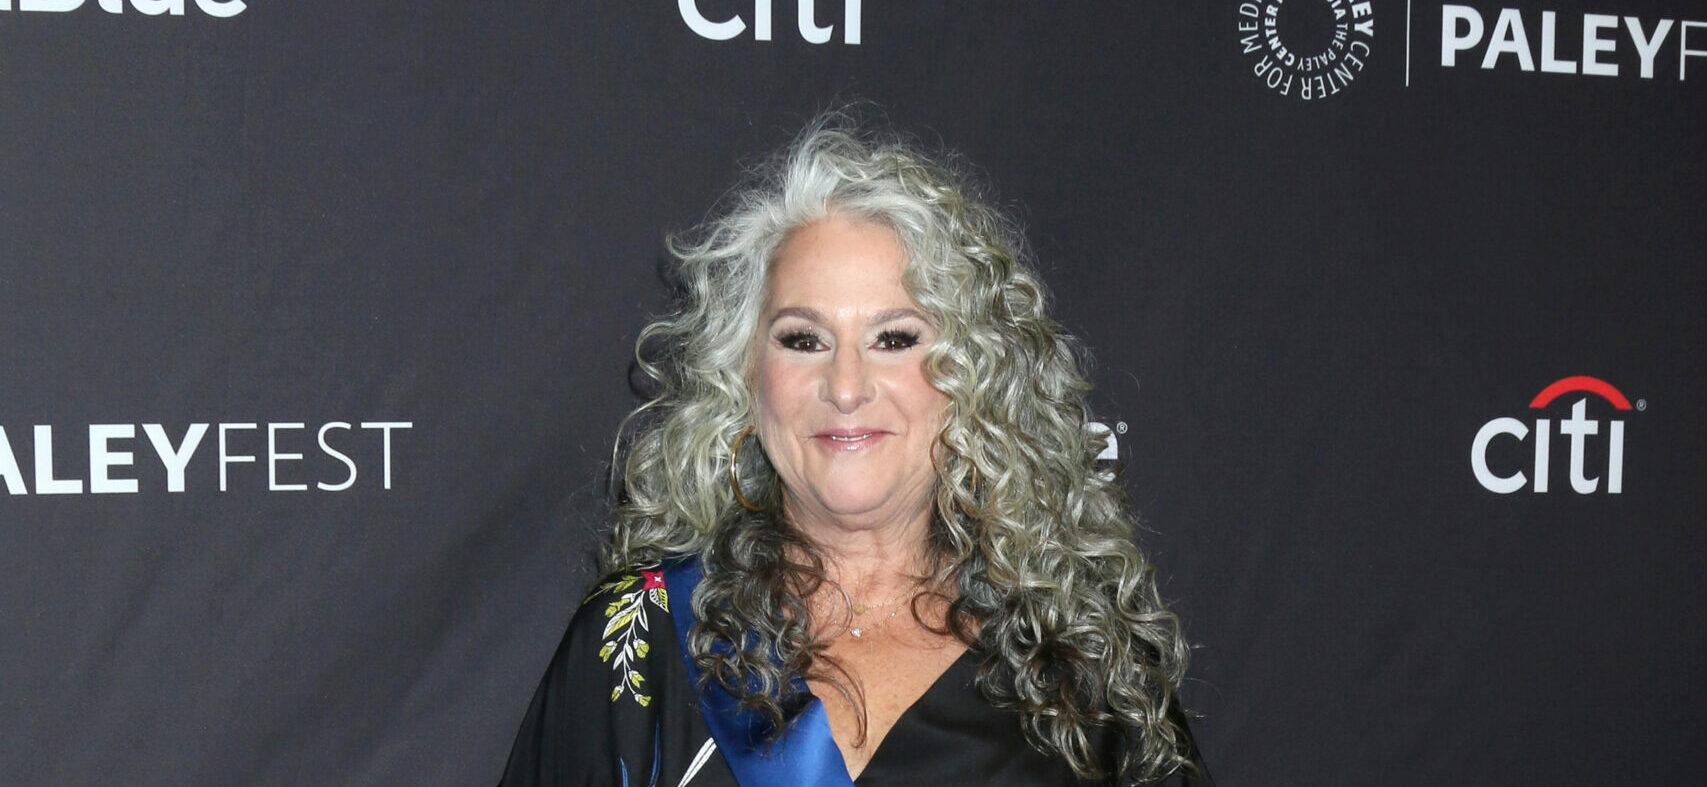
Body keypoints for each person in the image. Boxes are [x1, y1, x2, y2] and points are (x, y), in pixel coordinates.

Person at [500, 111, 1211, 786]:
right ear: (746, 375)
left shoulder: (1080, 667)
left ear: (972, 376)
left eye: (893, 338)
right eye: (802, 339)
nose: (845, 386)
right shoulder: (638, 640)